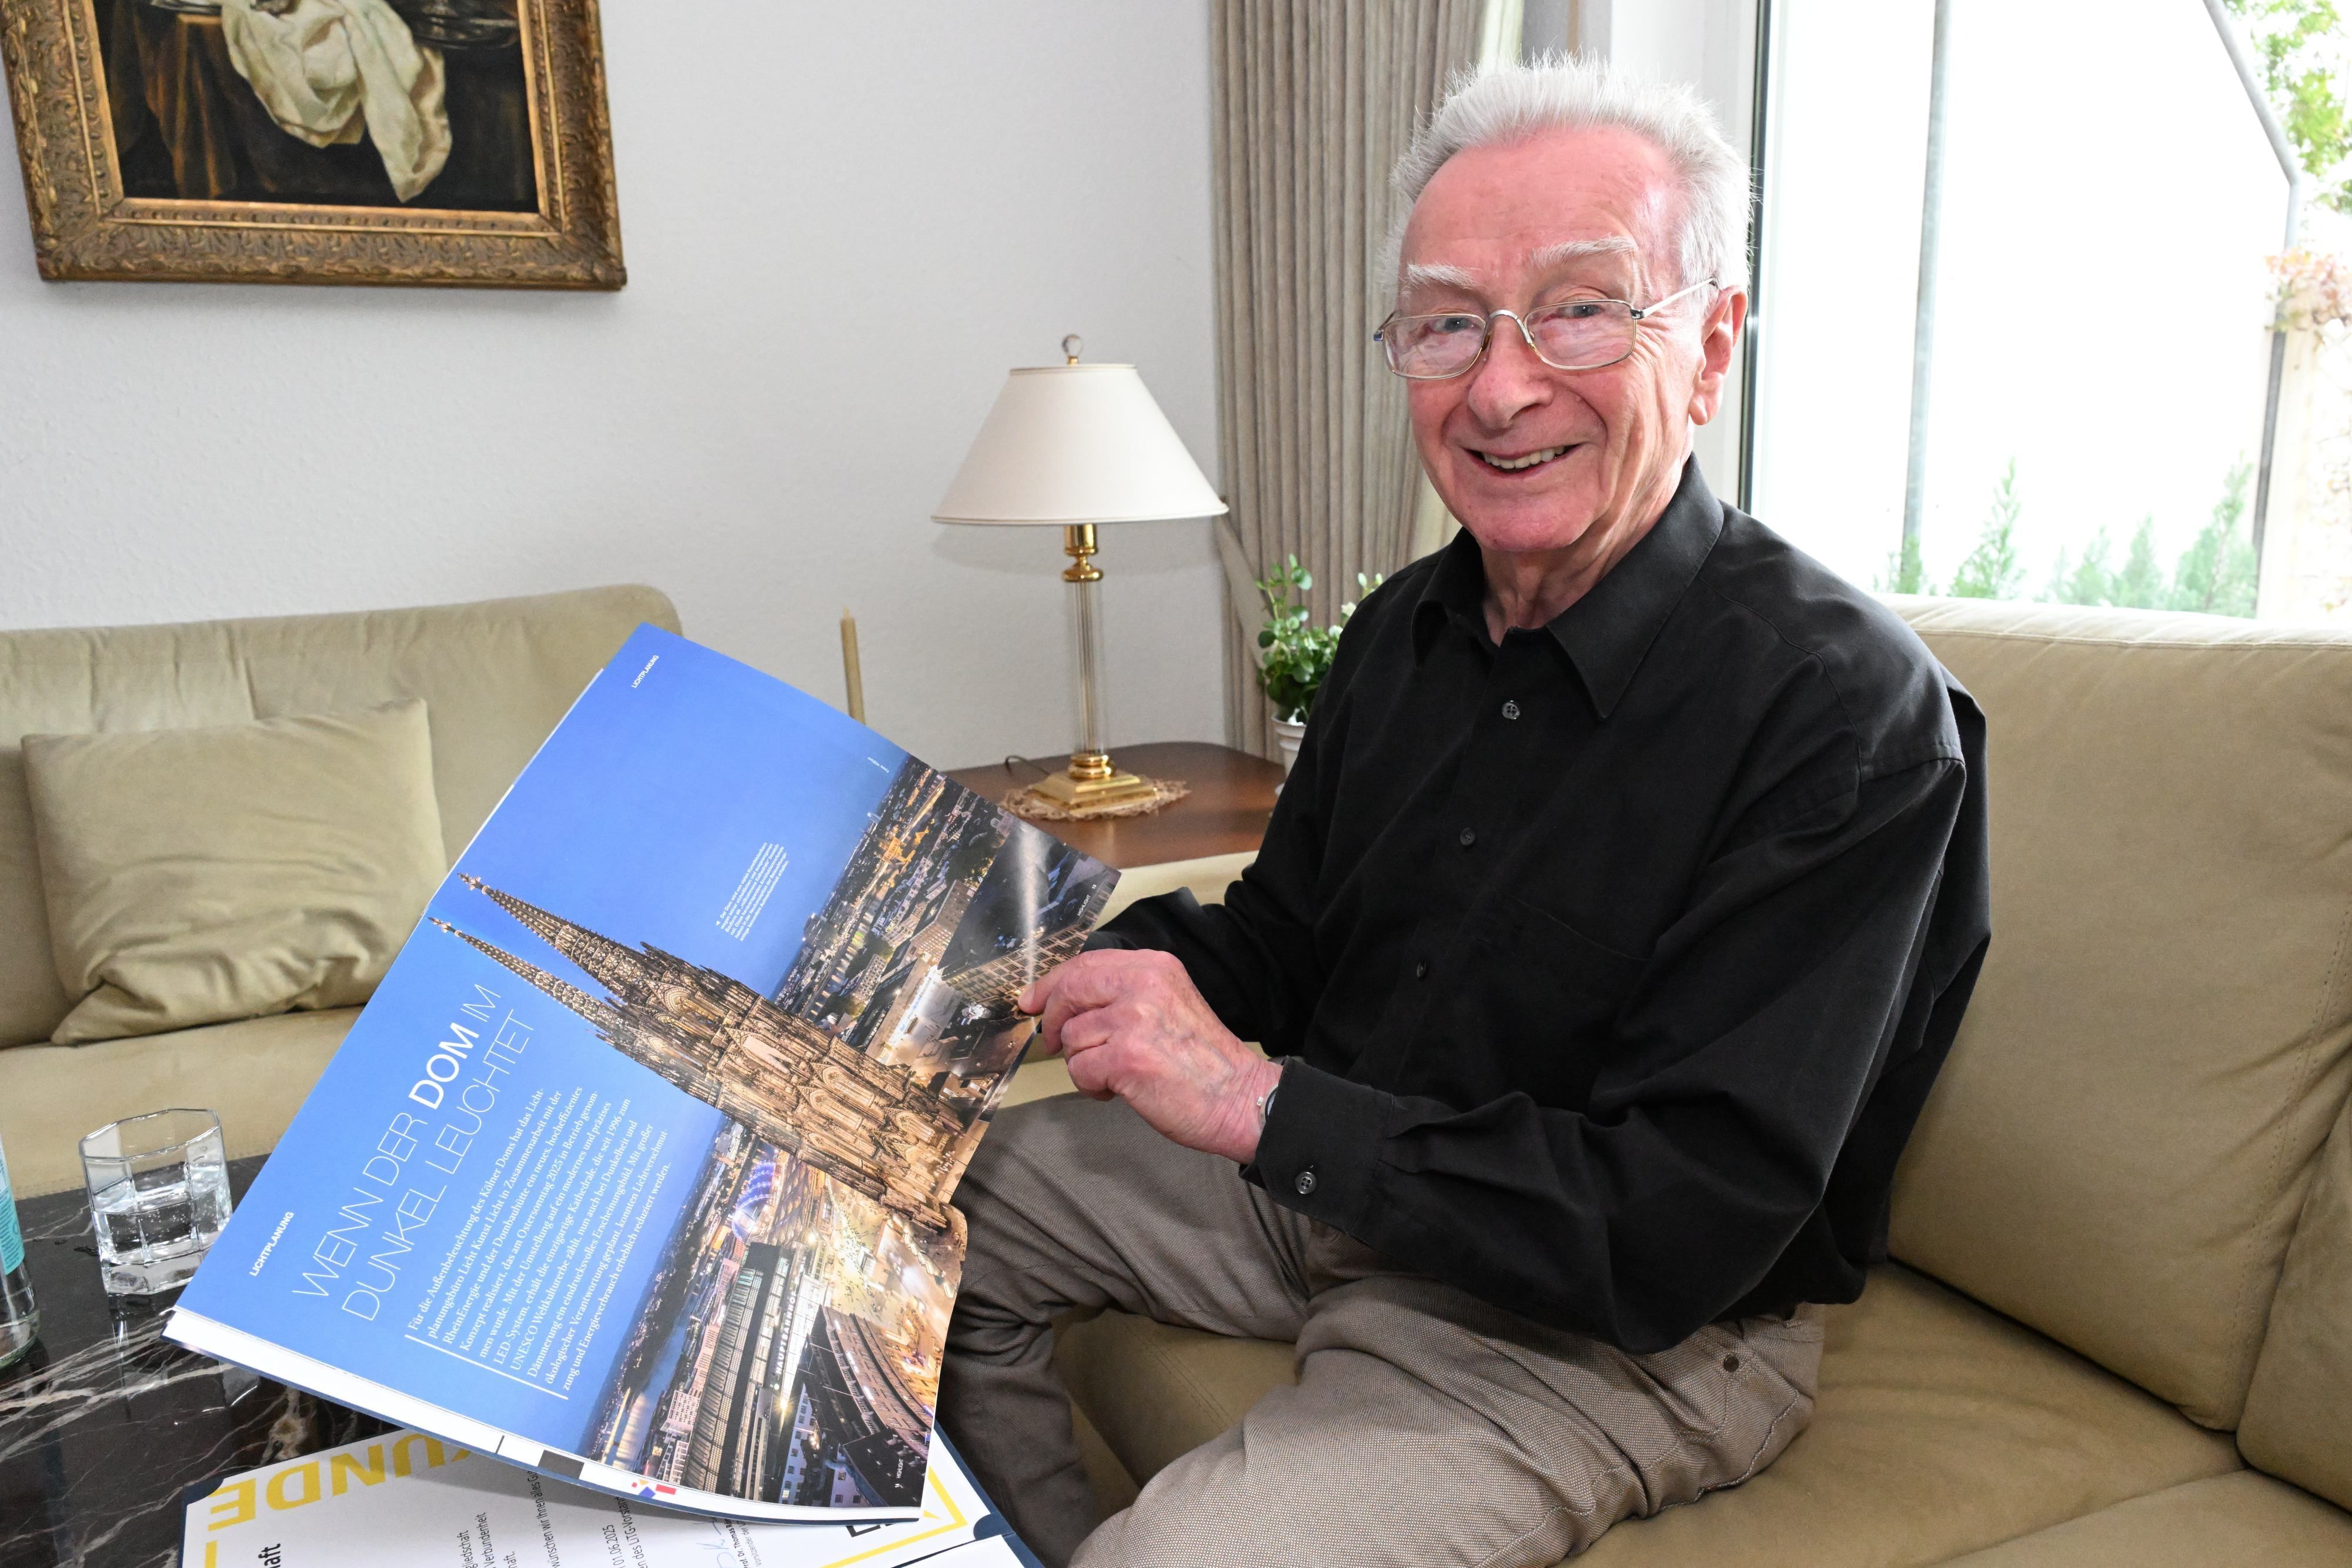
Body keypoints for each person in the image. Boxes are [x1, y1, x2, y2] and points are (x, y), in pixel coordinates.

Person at [937, 54, 1991, 1568]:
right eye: (1444, 322)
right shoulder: (1403, 628)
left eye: (1579, 308)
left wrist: (1254, 1103)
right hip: (1327, 1181)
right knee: (907, 1213)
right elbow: (1285, 940)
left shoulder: (1844, 714)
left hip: (1611, 1326)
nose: (1499, 387)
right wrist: (1039, 968)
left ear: (1709, 345)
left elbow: (1678, 1217)